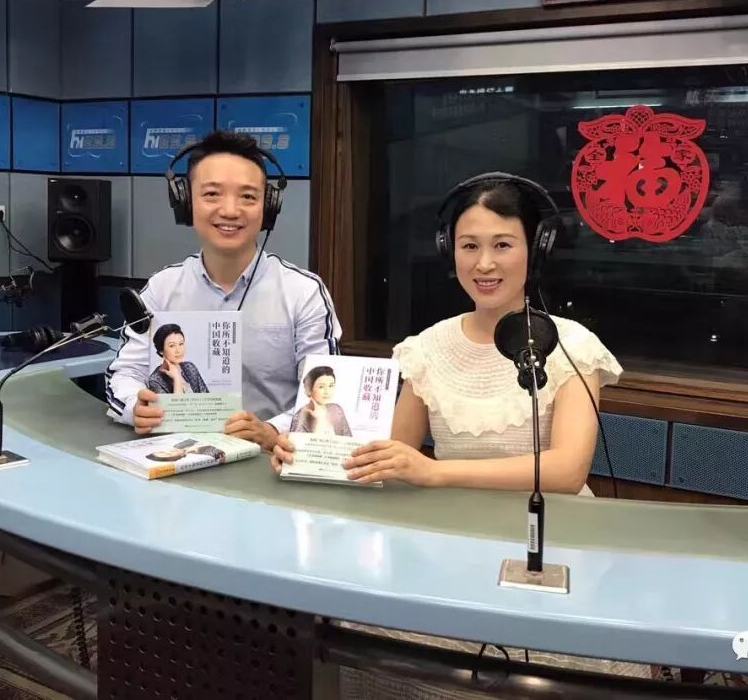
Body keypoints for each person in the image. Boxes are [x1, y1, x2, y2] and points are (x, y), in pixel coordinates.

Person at [271, 173, 650, 694]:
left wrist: (435, 472)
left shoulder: (572, 345)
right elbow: (394, 454)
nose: (484, 264)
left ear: (536, 250)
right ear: (449, 251)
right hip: (450, 537)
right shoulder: (428, 347)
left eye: (503, 245)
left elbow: (566, 471)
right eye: (469, 246)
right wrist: (307, 451)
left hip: (553, 539)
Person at [105, 130, 342, 451]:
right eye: (212, 194)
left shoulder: (304, 292)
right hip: (177, 455)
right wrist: (136, 406)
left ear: (268, 206)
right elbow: (123, 374)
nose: (230, 210)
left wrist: (271, 431)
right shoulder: (162, 289)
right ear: (185, 202)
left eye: (248, 197)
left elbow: (323, 389)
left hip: (267, 460)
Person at [288, 365, 352, 436]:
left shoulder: (336, 409)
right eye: (321, 387)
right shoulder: (301, 416)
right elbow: (296, 442)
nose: (327, 391)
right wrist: (319, 421)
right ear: (309, 389)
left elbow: (348, 438)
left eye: (331, 386)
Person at [146, 323, 209, 394]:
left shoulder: (189, 367)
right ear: (161, 350)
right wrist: (177, 378)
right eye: (172, 346)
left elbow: (207, 398)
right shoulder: (155, 381)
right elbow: (176, 401)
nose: (178, 350)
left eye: (181, 344)